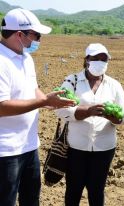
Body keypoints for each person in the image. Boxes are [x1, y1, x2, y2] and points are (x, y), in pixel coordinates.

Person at [0, 8, 76, 206]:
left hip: (30, 145)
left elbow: (33, 89)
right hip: (6, 150)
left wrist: (51, 101)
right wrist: (44, 101)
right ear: (19, 34)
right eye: (36, 35)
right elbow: (2, 107)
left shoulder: (26, 58)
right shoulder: (1, 62)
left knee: (31, 199)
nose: (39, 40)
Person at [55, 43, 124, 206]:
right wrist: (87, 111)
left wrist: (113, 117)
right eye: (96, 58)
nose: (100, 62)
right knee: (73, 189)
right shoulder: (72, 80)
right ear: (87, 59)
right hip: (76, 147)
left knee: (97, 190)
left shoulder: (114, 85)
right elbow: (60, 110)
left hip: (104, 148)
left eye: (104, 59)